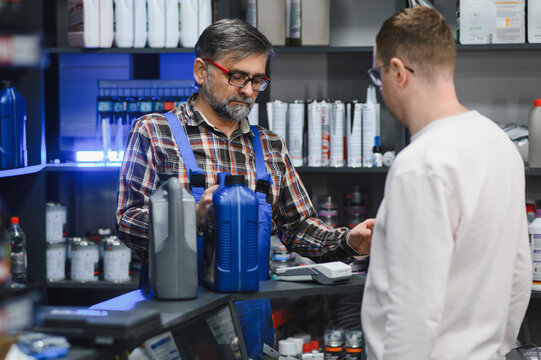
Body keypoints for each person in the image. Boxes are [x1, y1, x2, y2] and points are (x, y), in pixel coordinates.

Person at [115, 18, 374, 357]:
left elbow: (298, 228)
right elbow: (127, 220)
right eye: (237, 76)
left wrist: (348, 241)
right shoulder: (153, 132)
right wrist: (189, 218)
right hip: (176, 322)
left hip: (250, 320)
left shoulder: (269, 146)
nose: (249, 90)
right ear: (200, 71)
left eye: (257, 80)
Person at [360, 7, 532, 359]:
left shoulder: (420, 164)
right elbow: (519, 275)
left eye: (378, 75)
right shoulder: (499, 144)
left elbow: (413, 311)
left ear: (397, 72)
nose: (381, 88)